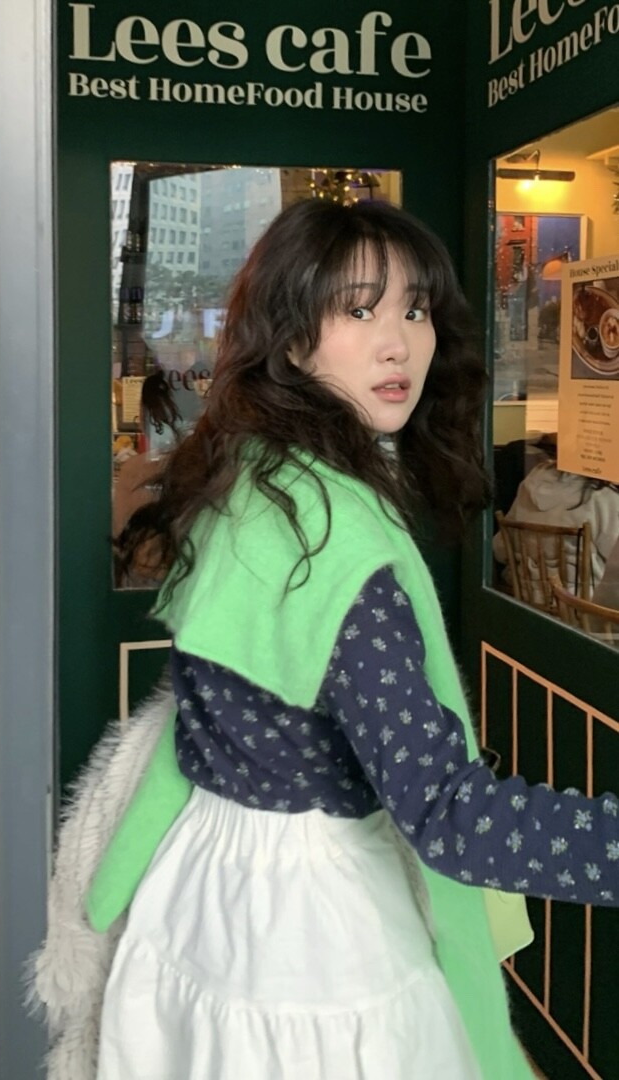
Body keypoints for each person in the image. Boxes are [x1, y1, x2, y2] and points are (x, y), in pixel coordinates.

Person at [81, 200, 619, 1079]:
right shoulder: (334, 543)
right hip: (312, 943)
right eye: (359, 310)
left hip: (206, 896)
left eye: (415, 309)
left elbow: (210, 719)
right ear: (292, 340)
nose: (398, 343)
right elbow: (448, 814)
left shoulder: (247, 479)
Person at [492, 457, 619, 598]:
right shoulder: (604, 497)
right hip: (579, 604)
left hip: (525, 597)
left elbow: (500, 550)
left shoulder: (531, 482)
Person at [112, 367, 183, 586]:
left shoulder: (134, 470)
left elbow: (119, 535)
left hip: (140, 584)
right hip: (185, 582)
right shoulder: (205, 469)